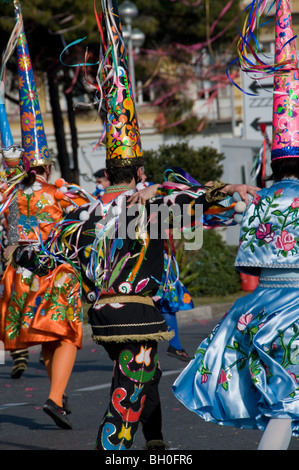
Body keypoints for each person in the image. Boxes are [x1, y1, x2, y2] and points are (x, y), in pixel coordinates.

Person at [172, 0, 299, 451]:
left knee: (283, 409)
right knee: (288, 408)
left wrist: (219, 189)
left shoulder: (257, 198)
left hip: (260, 309)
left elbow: (187, 213)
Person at [0, 2, 93, 429]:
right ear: (48, 166)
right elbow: (92, 219)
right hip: (56, 271)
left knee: (49, 333)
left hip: (19, 275)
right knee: (69, 331)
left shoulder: (7, 194)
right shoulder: (62, 192)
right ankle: (55, 396)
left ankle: (58, 393)